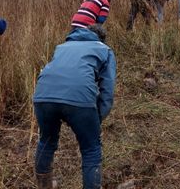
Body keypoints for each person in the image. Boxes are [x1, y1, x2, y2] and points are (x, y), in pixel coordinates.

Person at [33, 24, 117, 189]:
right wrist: (96, 118)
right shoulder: (105, 50)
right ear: (101, 39)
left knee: (46, 141)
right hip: (80, 99)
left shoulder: (62, 46)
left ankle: (45, 185)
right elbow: (107, 91)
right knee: (91, 149)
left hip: (42, 96)